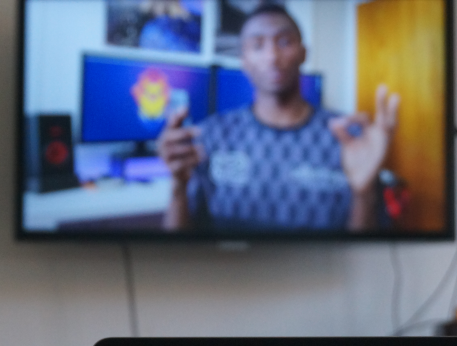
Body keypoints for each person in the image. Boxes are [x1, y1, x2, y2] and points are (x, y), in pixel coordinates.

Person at [159, 4, 400, 232]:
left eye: (284, 42)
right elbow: (177, 247)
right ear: (244, 61)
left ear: (303, 53)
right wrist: (178, 187)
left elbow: (366, 251)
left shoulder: (347, 138)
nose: (272, 56)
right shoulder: (212, 135)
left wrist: (363, 193)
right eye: (257, 45)